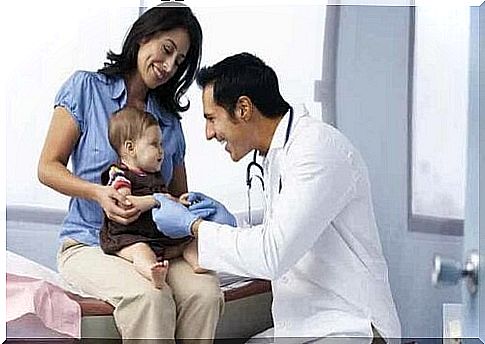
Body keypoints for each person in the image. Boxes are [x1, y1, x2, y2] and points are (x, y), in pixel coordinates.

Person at [151, 53, 402, 343]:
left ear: (243, 108)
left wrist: (193, 225)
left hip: (352, 326)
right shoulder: (276, 155)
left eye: (211, 118)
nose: (209, 134)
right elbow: (283, 236)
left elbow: (273, 254)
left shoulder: (316, 149)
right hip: (307, 326)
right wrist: (230, 227)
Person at [37, 4, 223, 341]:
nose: (168, 66)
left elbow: (177, 197)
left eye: (179, 61)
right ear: (143, 36)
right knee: (151, 298)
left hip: (154, 245)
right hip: (89, 242)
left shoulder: (169, 122)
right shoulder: (86, 89)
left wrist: (189, 206)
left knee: (206, 292)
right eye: (167, 50)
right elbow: (47, 167)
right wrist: (97, 193)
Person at [100, 107, 208, 290]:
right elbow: (125, 202)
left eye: (161, 145)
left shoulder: (154, 176)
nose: (161, 151)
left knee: (189, 240)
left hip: (158, 237)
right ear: (130, 148)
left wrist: (177, 202)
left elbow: (165, 200)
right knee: (141, 252)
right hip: (129, 237)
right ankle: (152, 271)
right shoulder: (120, 176)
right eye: (154, 144)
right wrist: (158, 199)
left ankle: (198, 262)